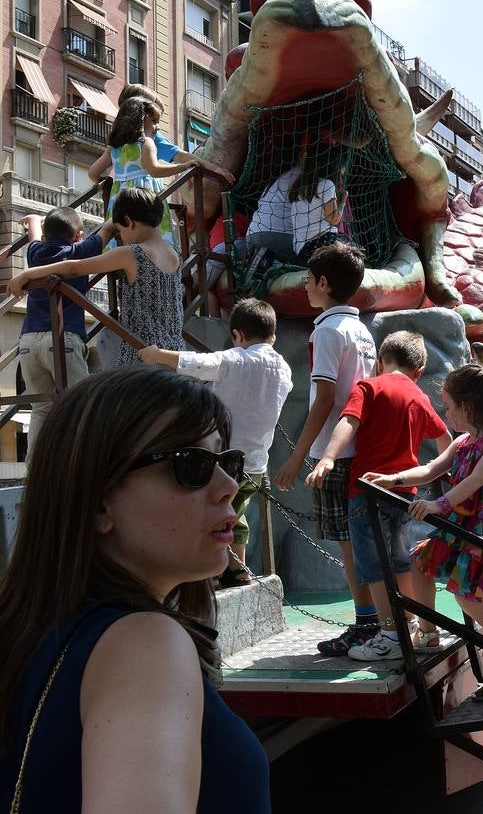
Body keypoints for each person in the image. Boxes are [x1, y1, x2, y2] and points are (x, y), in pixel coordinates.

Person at [0, 367, 269, 812]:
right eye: (193, 466)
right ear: (99, 502)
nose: (228, 487)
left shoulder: (35, 636)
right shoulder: (144, 643)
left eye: (227, 462)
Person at [377, 364, 483, 700]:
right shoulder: (463, 441)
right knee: (424, 565)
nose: (446, 413)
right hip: (463, 527)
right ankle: (430, 630)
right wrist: (395, 479)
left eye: (449, 406)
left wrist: (439, 505)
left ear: (469, 406)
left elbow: (477, 479)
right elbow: (432, 468)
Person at [304, 331, 453, 663]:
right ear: (417, 371)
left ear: (380, 361)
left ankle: (389, 634)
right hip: (404, 497)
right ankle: (409, 624)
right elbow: (446, 440)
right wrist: (439, 470)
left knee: (372, 567)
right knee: (399, 561)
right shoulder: (419, 395)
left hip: (367, 493)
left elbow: (348, 422)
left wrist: (328, 456)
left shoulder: (369, 387)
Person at [140, 298, 293, 588]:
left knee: (213, 516)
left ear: (237, 336)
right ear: (273, 336)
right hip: (257, 463)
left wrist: (157, 354)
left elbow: (200, 363)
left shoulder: (237, 359)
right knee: (235, 514)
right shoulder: (283, 368)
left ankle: (207, 576)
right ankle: (237, 571)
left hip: (224, 462)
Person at [275, 242, 378, 656]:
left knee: (349, 544)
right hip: (362, 447)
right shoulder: (361, 330)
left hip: (337, 452)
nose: (305, 286)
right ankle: (378, 622)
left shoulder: (327, 330)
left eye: (308, 278)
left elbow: (324, 399)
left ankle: (367, 624)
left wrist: (298, 457)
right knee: (361, 541)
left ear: (322, 282)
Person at [7, 187, 185, 368]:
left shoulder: (131, 253)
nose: (120, 236)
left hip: (142, 348)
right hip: (174, 349)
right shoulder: (175, 253)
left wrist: (27, 273)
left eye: (120, 230)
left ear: (129, 222)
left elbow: (74, 267)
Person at [14, 209, 115, 451]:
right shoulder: (79, 251)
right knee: (82, 405)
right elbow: (109, 227)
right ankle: (85, 464)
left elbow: (35, 237)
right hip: (63, 339)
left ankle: (34, 470)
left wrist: (34, 221)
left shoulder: (35, 253)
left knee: (41, 409)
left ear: (46, 237)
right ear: (78, 235)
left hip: (28, 342)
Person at [88, 98, 193, 218]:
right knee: (149, 233)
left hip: (120, 203)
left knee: (123, 232)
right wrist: (183, 167)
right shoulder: (146, 143)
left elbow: (93, 173)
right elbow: (154, 170)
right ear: (140, 120)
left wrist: (108, 182)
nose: (157, 127)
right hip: (143, 200)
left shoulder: (114, 149)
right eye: (154, 121)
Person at [116, 83, 233, 183]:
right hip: (144, 196)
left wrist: (214, 169)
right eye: (153, 120)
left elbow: (181, 155)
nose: (157, 127)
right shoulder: (150, 138)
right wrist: (215, 169)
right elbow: (181, 156)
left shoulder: (118, 139)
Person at [245, 152, 345, 265]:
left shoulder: (293, 174)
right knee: (325, 261)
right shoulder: (314, 179)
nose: (341, 181)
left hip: (253, 233)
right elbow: (332, 219)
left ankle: (269, 262)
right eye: (341, 176)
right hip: (276, 236)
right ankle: (271, 261)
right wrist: (342, 202)